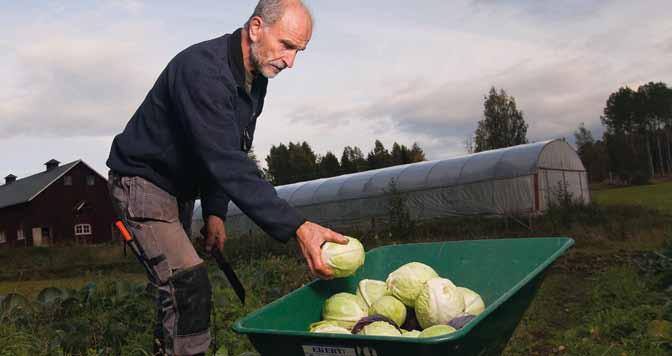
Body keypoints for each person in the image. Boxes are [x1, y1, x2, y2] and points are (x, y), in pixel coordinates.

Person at [106, 1, 347, 355]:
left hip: (177, 190)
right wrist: (298, 226)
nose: (291, 62)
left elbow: (230, 145)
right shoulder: (203, 71)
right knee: (186, 283)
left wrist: (215, 212)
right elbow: (225, 160)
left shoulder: (254, 80)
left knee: (175, 294)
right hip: (142, 184)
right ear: (255, 28)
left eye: (299, 52)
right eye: (286, 45)